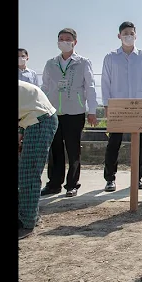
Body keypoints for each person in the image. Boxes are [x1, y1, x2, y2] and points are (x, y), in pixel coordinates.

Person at [40, 28, 98, 197]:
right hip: (53, 112)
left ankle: (72, 184)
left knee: (73, 150)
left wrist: (92, 111)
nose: (64, 42)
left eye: (67, 39)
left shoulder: (83, 62)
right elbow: (44, 87)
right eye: (61, 39)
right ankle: (54, 184)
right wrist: (43, 109)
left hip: (75, 112)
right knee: (55, 149)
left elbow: (90, 87)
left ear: (75, 42)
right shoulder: (51, 63)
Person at [101, 21, 142, 192]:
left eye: (131, 33)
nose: (128, 36)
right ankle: (110, 178)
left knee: (139, 144)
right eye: (125, 33)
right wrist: (107, 105)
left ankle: (137, 178)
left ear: (136, 35)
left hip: (139, 105)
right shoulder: (110, 57)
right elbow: (105, 82)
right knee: (114, 143)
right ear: (119, 36)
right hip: (118, 105)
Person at [19, 80, 59, 240]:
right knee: (24, 172)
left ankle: (26, 223)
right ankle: (29, 215)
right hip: (29, 119)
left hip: (40, 120)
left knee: (28, 173)